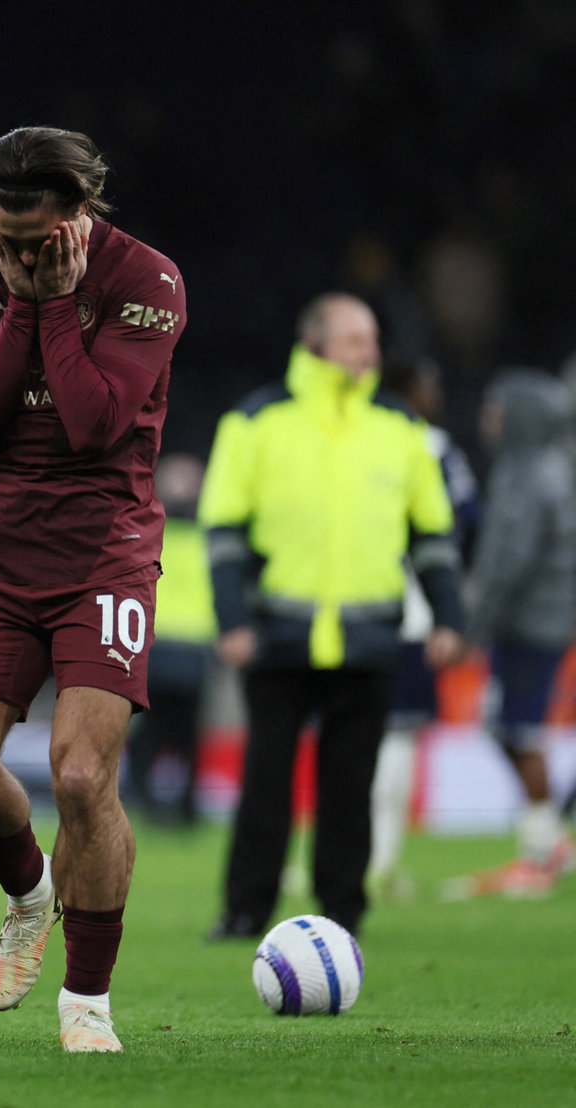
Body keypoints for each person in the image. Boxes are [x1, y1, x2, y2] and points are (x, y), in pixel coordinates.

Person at [0, 125, 186, 1054]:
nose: (17, 255)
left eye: (36, 242)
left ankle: (87, 1004)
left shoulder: (148, 281)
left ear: (80, 217)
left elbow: (93, 422)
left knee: (80, 775)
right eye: (4, 237)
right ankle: (33, 889)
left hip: (104, 556)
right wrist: (25, 304)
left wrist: (53, 302)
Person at [200, 293, 465, 942]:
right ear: (315, 344)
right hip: (277, 632)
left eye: (370, 339)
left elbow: (432, 534)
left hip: (371, 635)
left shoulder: (400, 426)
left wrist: (448, 617)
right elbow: (223, 529)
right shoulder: (257, 421)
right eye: (353, 340)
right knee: (265, 781)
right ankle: (244, 910)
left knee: (352, 788)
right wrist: (232, 619)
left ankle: (343, 913)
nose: (369, 352)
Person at [441, 368, 576, 898]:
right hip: (545, 620)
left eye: (498, 409)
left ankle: (541, 855)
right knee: (511, 727)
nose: (489, 420)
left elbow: (506, 564)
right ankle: (547, 843)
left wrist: (474, 629)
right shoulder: (552, 468)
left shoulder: (527, 474)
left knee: (518, 731)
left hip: (528, 624)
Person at [366, 359, 477, 901]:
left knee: (369, 736)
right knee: (397, 736)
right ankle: (379, 859)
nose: (435, 394)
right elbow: (462, 522)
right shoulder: (433, 447)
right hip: (410, 612)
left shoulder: (354, 439)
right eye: (428, 385)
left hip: (353, 610)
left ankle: (368, 857)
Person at [122, 453, 215, 826]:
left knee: (152, 730)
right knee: (186, 733)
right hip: (187, 646)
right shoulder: (209, 536)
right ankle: (185, 807)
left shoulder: (145, 530)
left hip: (158, 645)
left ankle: (144, 799)